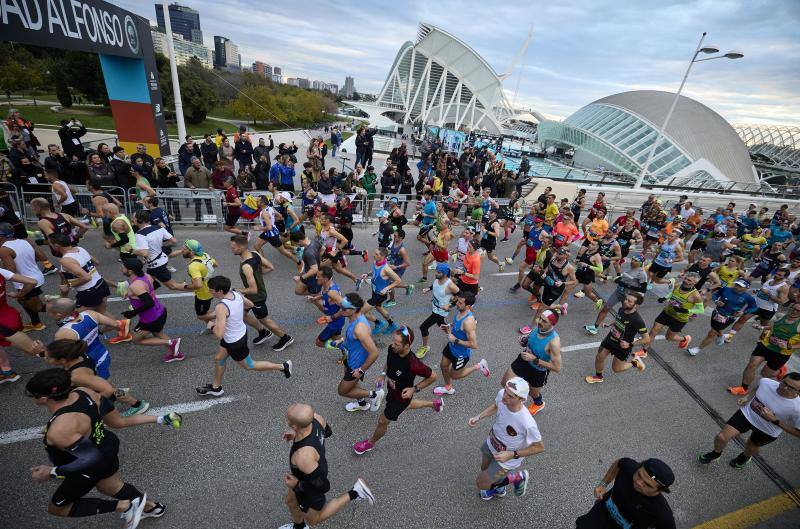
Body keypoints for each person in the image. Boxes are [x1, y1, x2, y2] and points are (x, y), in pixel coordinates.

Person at [26, 368, 164, 528]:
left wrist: (51, 472)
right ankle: (152, 508)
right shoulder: (84, 391)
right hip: (106, 446)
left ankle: (123, 506)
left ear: (43, 398)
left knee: (57, 508)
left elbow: (90, 459)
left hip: (87, 466)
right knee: (109, 487)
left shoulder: (60, 429)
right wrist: (159, 419)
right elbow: (115, 418)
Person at [279, 403, 374, 529]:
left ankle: (355, 492)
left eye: (288, 417)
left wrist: (297, 485)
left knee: (313, 520)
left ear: (295, 425)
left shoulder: (303, 457)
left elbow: (323, 486)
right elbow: (327, 432)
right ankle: (299, 527)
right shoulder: (317, 418)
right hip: (307, 472)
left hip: (310, 484)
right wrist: (296, 434)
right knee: (291, 501)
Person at [353, 326, 443, 455]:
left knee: (383, 421)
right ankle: (434, 404)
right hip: (392, 391)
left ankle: (370, 443)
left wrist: (414, 389)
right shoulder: (392, 349)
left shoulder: (413, 364)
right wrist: (383, 374)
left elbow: (433, 376)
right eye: (393, 341)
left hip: (401, 397)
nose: (392, 345)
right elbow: (389, 361)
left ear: (407, 345)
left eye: (397, 344)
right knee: (407, 406)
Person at [196, 276, 292, 397]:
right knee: (219, 359)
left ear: (219, 291)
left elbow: (219, 334)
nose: (210, 291)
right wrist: (232, 313)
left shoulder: (221, 307)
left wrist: (211, 325)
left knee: (250, 365)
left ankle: (283, 366)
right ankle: (216, 387)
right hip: (238, 333)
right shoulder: (235, 293)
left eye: (211, 289)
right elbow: (250, 304)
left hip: (234, 342)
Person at [701, 373, 800, 469]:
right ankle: (715, 453)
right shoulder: (766, 382)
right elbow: (758, 387)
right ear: (781, 379)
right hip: (748, 415)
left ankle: (745, 457)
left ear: (798, 392)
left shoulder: (797, 408)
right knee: (721, 437)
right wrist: (747, 397)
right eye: (784, 383)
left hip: (768, 430)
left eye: (790, 388)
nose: (784, 388)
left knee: (751, 447)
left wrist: (775, 420)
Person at [467, 377, 543, 500]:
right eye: (505, 391)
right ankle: (499, 489)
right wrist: (478, 417)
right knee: (484, 470)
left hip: (507, 458)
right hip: (491, 443)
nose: (505, 397)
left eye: (511, 396)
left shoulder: (527, 423)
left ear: (522, 399)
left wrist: (512, 454)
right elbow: (496, 406)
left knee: (481, 483)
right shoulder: (502, 395)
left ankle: (517, 478)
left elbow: (539, 447)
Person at [229, 234, 294, 351]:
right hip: (251, 295)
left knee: (264, 319)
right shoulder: (255, 254)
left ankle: (285, 338)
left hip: (257, 297)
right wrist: (257, 274)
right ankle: (263, 332)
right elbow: (270, 267)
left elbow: (254, 290)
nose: (231, 249)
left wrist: (236, 290)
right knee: (242, 314)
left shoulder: (246, 267)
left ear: (242, 247)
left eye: (233, 247)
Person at [576, 457, 676, 528]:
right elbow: (619, 463)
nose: (638, 482)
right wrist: (603, 484)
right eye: (639, 475)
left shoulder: (662, 514)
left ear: (659, 490)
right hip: (599, 514)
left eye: (647, 484)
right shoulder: (629, 467)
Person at [728, 302, 800, 396]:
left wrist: (788, 346)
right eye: (793, 308)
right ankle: (743, 388)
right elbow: (774, 327)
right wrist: (762, 327)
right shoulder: (782, 316)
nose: (794, 311)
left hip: (781, 353)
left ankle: (779, 372)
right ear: (790, 307)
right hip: (766, 345)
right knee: (752, 365)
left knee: (764, 374)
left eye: (798, 310)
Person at [119, 258, 182, 363]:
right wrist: (134, 294)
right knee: (158, 334)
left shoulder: (136, 285)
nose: (121, 268)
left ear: (130, 271)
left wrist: (132, 313)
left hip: (150, 319)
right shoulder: (146, 276)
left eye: (123, 267)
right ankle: (176, 353)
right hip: (160, 311)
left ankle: (171, 343)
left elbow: (149, 303)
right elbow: (155, 286)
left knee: (136, 340)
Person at [328, 293, 383, 412]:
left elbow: (374, 353)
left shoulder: (360, 328)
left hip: (356, 364)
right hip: (349, 356)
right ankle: (362, 403)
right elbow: (355, 339)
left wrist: (361, 370)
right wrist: (342, 341)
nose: (340, 310)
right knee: (353, 385)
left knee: (342, 391)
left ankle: (374, 395)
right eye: (341, 307)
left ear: (354, 310)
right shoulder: (353, 317)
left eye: (343, 308)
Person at [504, 309, 561, 415]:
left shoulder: (554, 342)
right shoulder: (537, 328)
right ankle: (512, 402)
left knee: (532, 393)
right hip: (524, 360)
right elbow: (531, 341)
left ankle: (538, 403)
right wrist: (524, 341)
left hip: (538, 370)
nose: (540, 322)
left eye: (544, 321)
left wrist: (534, 359)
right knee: (505, 383)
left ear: (552, 324)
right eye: (540, 318)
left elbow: (557, 368)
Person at [433, 291, 489, 396]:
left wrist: (455, 340)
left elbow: (474, 345)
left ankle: (479, 366)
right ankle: (448, 387)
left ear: (467, 306)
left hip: (460, 355)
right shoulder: (460, 311)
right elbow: (456, 324)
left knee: (454, 376)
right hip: (451, 347)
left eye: (460, 303)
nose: (456, 304)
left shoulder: (468, 322)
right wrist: (448, 326)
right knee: (443, 366)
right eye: (457, 301)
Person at [585, 292, 650, 384]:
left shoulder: (637, 320)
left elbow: (646, 339)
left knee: (616, 369)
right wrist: (610, 324)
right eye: (626, 299)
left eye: (629, 301)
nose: (625, 302)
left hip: (623, 346)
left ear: (636, 305)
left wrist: (630, 344)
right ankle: (598, 376)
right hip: (611, 338)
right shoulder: (621, 309)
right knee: (599, 357)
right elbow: (619, 319)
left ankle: (634, 363)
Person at [50, 233, 113, 319]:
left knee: (72, 317)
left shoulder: (65, 260)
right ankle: (121, 326)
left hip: (89, 292)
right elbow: (96, 262)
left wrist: (70, 284)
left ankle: (113, 327)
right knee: (102, 313)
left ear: (56, 246)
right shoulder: (80, 248)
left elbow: (86, 277)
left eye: (50, 244)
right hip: (101, 284)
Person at [688, 279, 757, 356]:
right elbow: (715, 295)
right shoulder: (726, 289)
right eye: (736, 284)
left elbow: (754, 307)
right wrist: (716, 301)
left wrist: (743, 312)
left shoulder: (748, 297)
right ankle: (721, 336)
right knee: (714, 328)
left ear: (746, 288)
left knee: (712, 333)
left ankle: (697, 349)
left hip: (728, 317)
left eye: (740, 286)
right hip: (716, 313)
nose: (736, 287)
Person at [641, 272, 704, 354]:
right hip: (667, 312)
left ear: (695, 283)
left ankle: (685, 339)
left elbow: (701, 310)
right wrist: (664, 298)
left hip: (679, 318)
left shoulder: (696, 296)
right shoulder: (678, 285)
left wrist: (686, 311)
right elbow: (672, 293)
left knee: (669, 338)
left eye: (689, 280)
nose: (685, 281)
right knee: (653, 331)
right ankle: (644, 351)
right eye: (685, 278)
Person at [584, 254, 648, 335]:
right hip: (619, 292)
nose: (632, 261)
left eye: (635, 261)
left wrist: (626, 285)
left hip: (627, 297)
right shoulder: (630, 267)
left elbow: (643, 289)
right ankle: (595, 327)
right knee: (606, 308)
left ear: (640, 263)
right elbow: (626, 278)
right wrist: (619, 280)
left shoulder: (642, 274)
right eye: (632, 259)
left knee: (624, 316)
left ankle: (623, 333)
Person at [0, 223, 47, 331]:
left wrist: (3, 262)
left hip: (26, 282)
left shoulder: (4, 249)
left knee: (36, 306)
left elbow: (11, 271)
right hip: (36, 277)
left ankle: (66, 311)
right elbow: (43, 257)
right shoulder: (24, 241)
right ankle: (36, 323)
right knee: (25, 301)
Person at [171, 240, 217, 334]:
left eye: (184, 249)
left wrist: (185, 286)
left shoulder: (193, 266)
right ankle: (212, 326)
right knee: (205, 311)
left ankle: (222, 315)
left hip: (203, 294)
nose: (182, 250)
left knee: (200, 316)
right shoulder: (205, 255)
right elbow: (216, 264)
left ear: (191, 252)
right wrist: (205, 273)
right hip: (210, 288)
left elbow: (198, 285)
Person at [416, 264, 460, 359]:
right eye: (436, 271)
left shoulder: (450, 285)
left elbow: (461, 296)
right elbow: (434, 285)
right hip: (435, 307)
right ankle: (454, 337)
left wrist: (450, 305)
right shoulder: (438, 279)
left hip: (440, 311)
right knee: (441, 324)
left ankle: (425, 347)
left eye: (438, 272)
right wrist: (429, 288)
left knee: (423, 327)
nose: (436, 273)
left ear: (444, 274)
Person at [131, 211, 182, 291]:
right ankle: (146, 299)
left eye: (134, 218)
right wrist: (160, 245)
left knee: (173, 286)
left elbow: (145, 253)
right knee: (147, 283)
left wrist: (131, 250)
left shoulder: (140, 235)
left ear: (140, 220)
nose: (132, 219)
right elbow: (173, 241)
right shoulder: (159, 228)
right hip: (160, 261)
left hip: (156, 265)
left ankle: (196, 288)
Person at [358, 247, 403, 335]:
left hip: (380, 294)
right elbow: (374, 271)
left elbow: (398, 280)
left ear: (382, 256)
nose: (374, 255)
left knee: (360, 312)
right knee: (379, 308)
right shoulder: (376, 262)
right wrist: (367, 274)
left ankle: (378, 323)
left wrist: (386, 288)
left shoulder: (386, 269)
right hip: (374, 291)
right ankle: (392, 324)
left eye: (376, 254)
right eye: (375, 253)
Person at [310, 267, 346, 350]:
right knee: (336, 338)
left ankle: (345, 349)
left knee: (319, 342)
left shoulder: (332, 292)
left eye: (318, 276)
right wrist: (317, 299)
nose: (316, 277)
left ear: (325, 279)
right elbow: (325, 301)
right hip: (335, 320)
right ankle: (346, 351)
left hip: (335, 322)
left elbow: (345, 308)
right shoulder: (327, 286)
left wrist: (331, 317)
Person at [292, 230, 323, 296]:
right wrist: (318, 258)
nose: (297, 246)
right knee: (298, 291)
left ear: (300, 241)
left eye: (297, 244)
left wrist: (301, 278)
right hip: (307, 273)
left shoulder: (309, 252)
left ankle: (317, 294)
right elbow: (323, 248)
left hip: (314, 277)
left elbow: (314, 269)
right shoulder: (314, 241)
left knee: (314, 296)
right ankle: (313, 292)